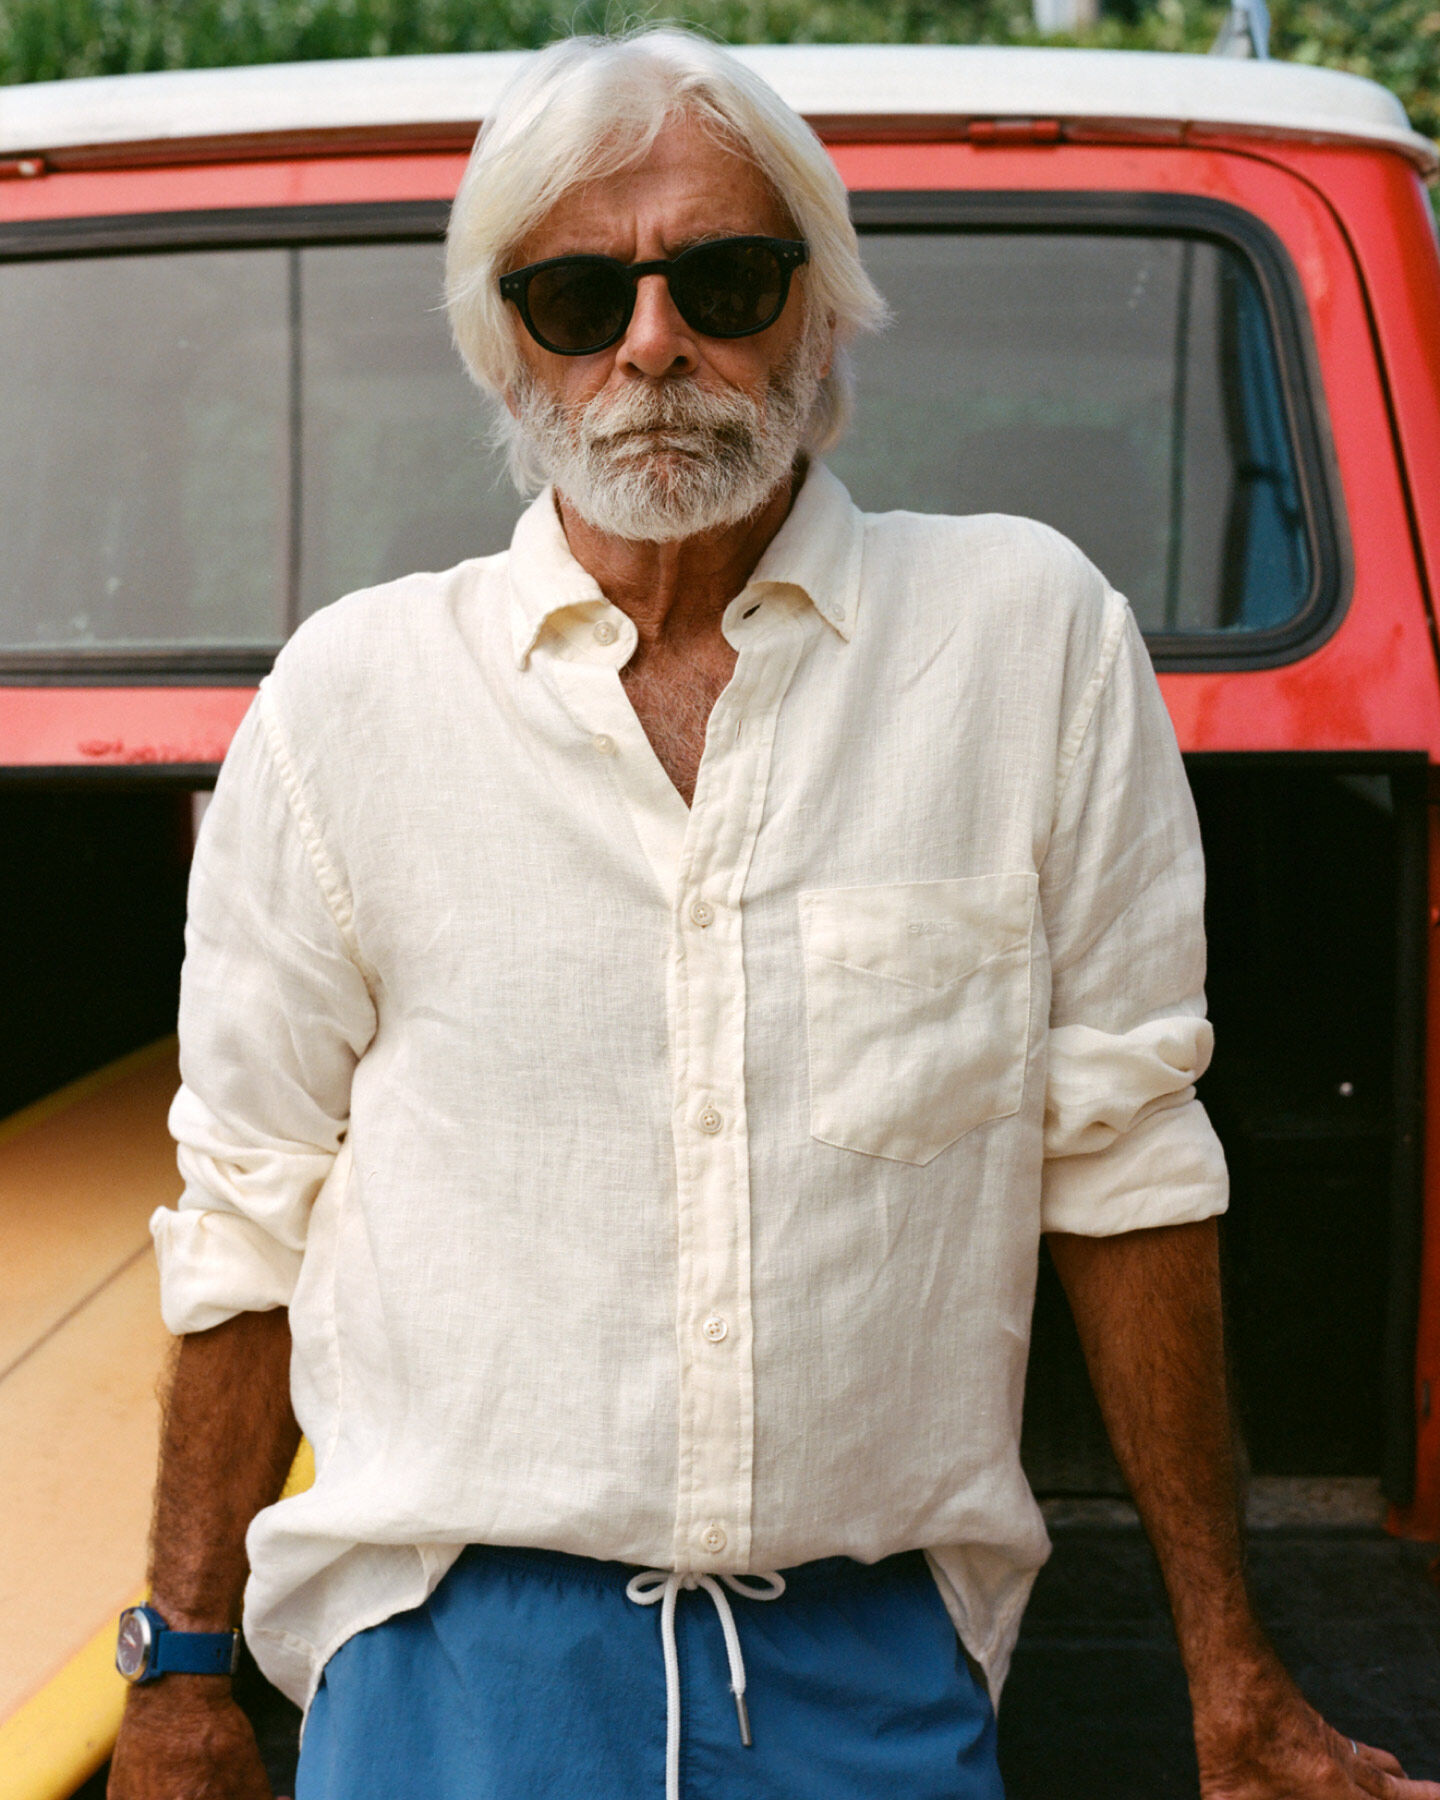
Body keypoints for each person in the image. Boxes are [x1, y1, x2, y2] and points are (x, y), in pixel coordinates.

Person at [109, 29, 1439, 1800]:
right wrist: (181, 1673)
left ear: (821, 309)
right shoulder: (348, 703)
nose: (654, 341)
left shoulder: (1030, 642)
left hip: (870, 1667)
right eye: (579, 296)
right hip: (449, 1665)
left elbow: (1127, 1164)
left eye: (725, 279)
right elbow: (247, 1210)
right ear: (507, 343)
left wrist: (1233, 1668)